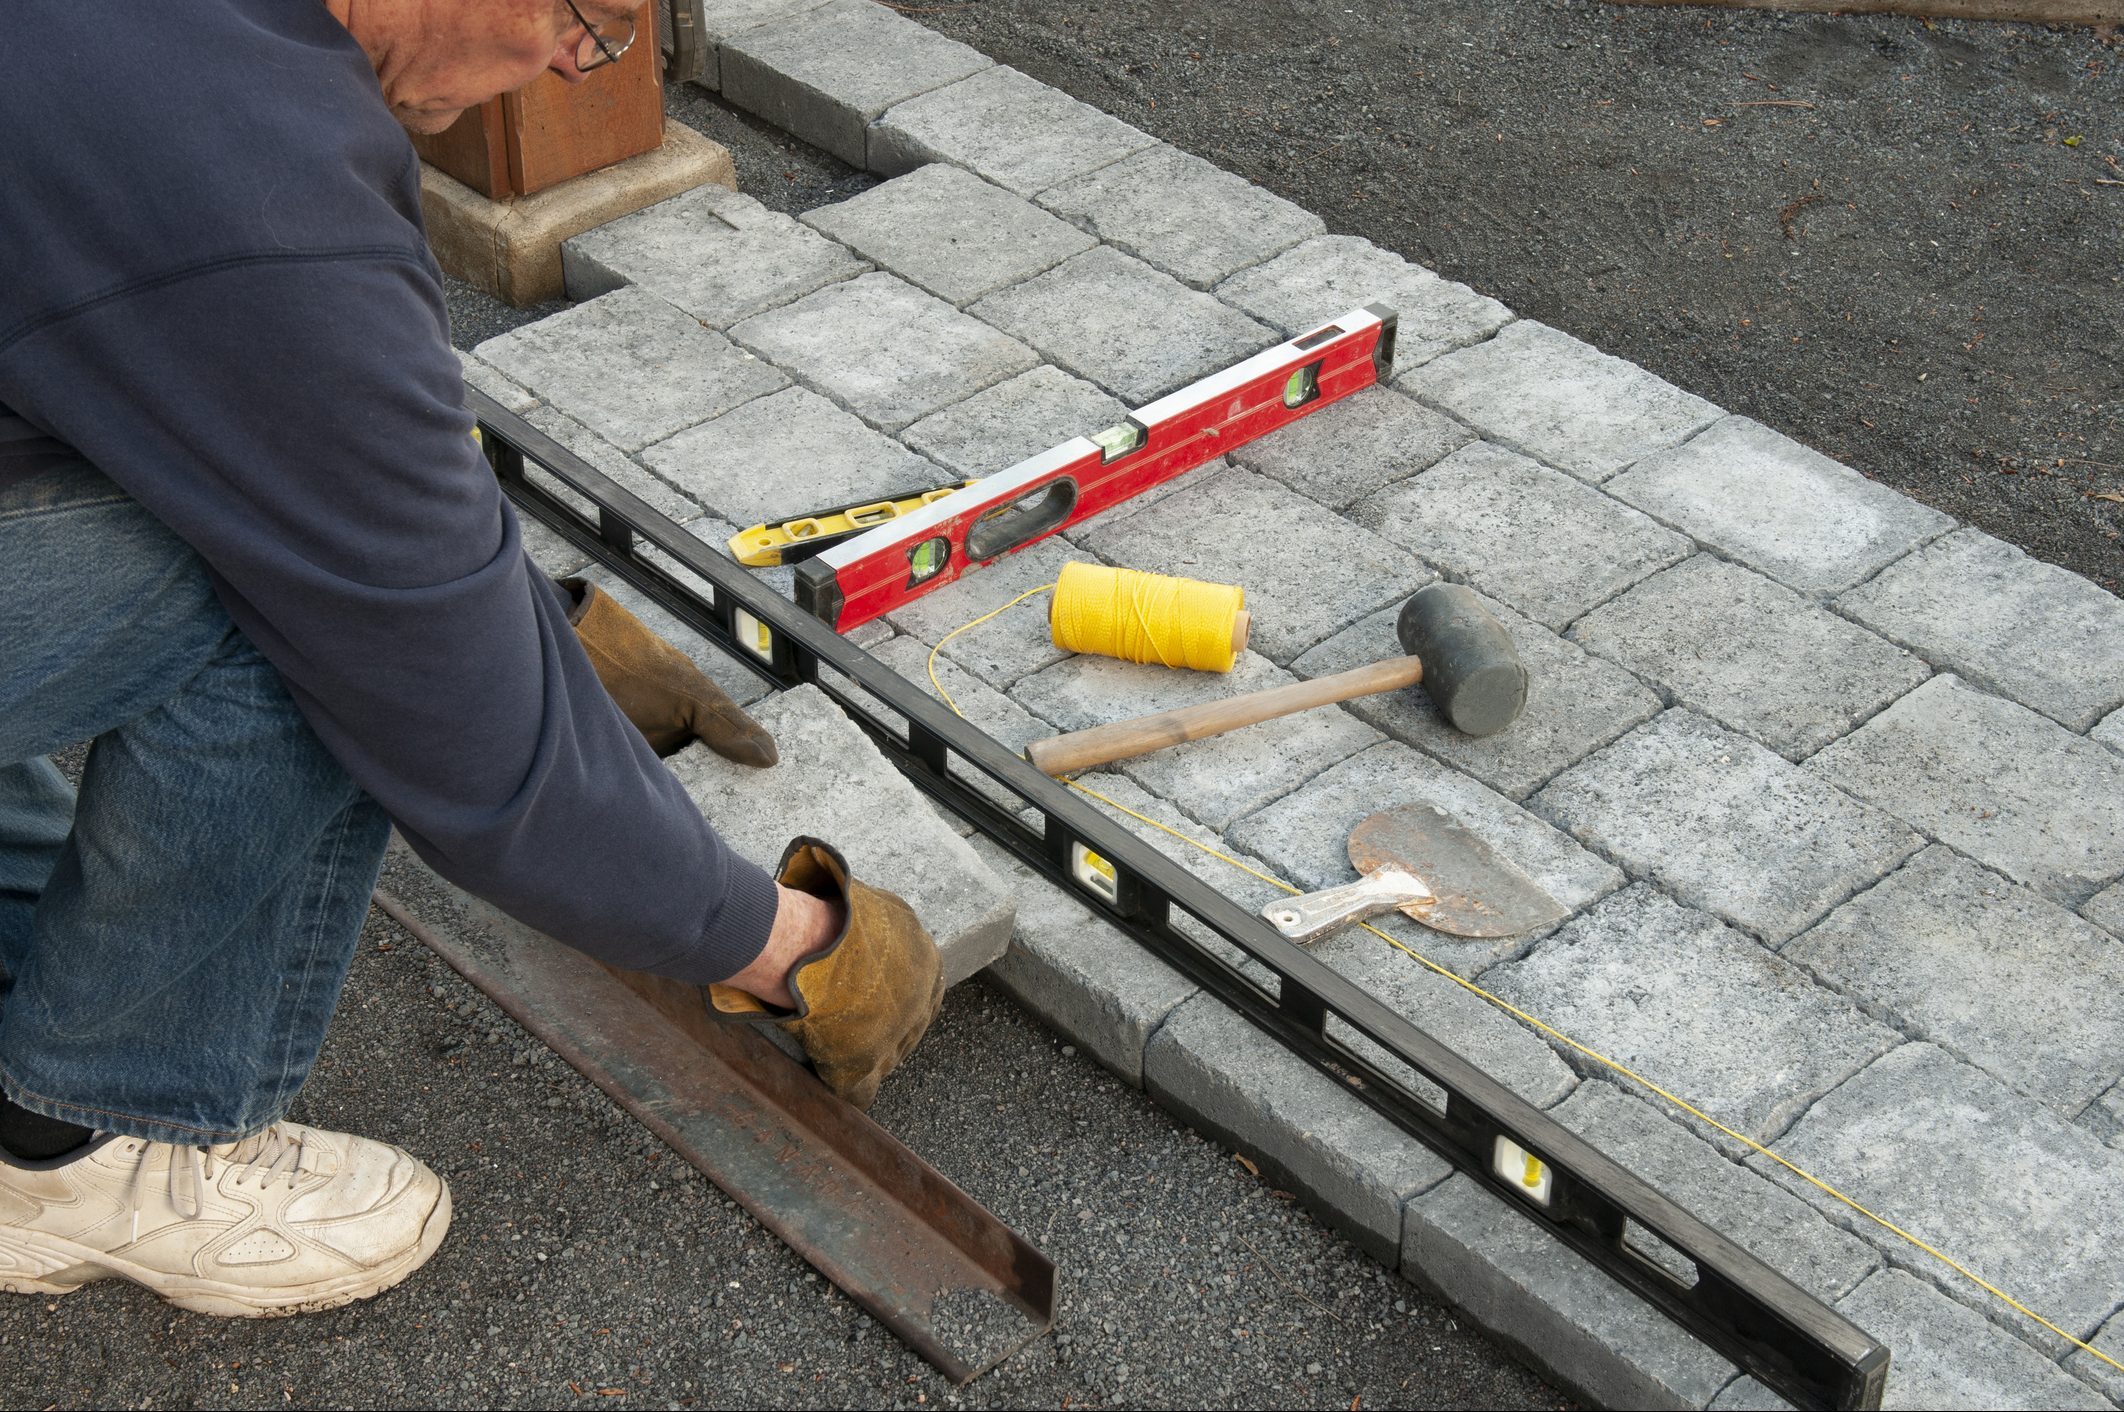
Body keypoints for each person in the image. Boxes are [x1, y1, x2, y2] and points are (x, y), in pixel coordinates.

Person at [0, 0, 941, 1318]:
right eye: (591, 20)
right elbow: (443, 708)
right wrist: (774, 940)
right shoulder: (245, 180)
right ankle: (88, 1149)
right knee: (278, 608)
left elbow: (219, 400)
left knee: (255, 517)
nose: (569, 64)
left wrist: (525, 618)